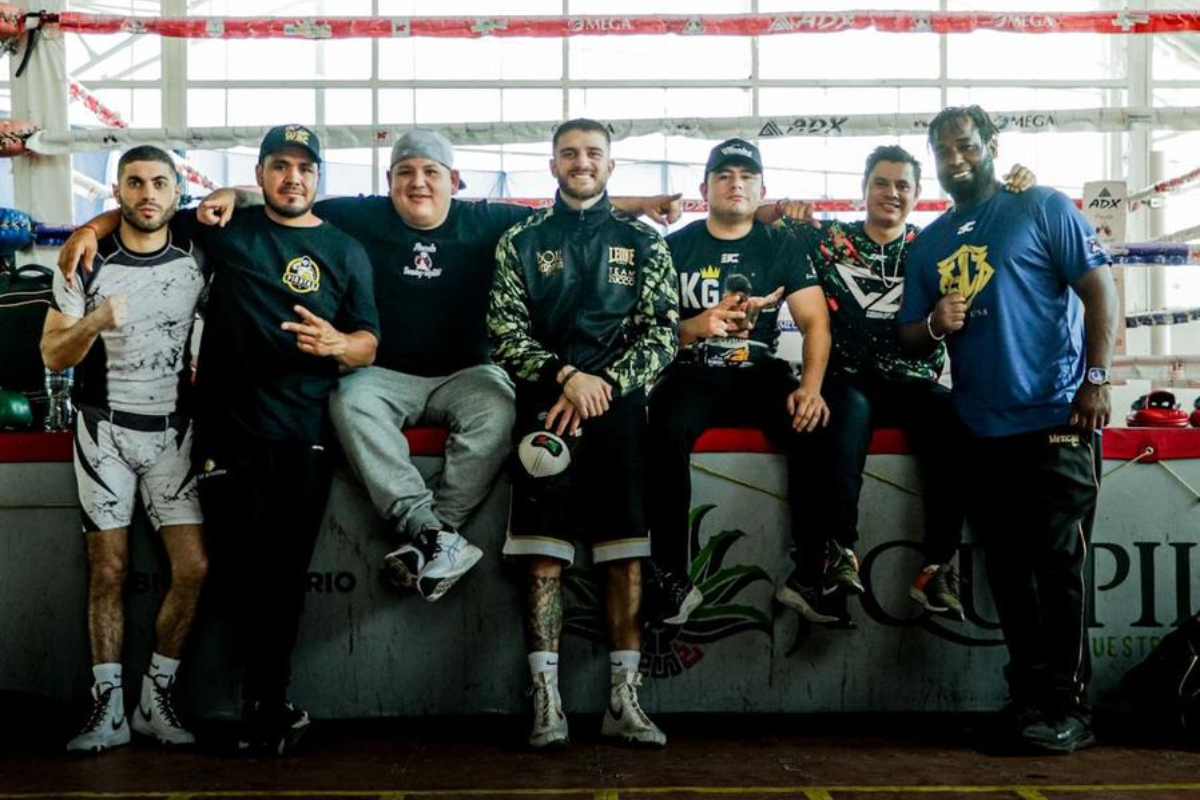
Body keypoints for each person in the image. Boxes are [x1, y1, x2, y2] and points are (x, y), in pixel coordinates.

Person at [198, 129, 680, 602]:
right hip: (384, 374)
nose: (418, 182)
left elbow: (573, 206)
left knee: (499, 407)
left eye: (431, 172)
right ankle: (431, 532)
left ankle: (433, 533)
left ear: (456, 180)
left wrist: (639, 205)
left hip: (465, 373)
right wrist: (230, 195)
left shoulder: (487, 220)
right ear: (389, 180)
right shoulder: (359, 215)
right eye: (405, 172)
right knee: (348, 400)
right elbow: (292, 197)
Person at [61, 125, 380, 755]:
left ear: (319, 178)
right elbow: (143, 207)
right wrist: (85, 231)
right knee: (233, 571)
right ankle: (233, 701)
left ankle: (269, 701)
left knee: (285, 575)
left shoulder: (348, 249)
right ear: (259, 175)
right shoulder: (220, 226)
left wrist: (341, 345)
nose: (293, 178)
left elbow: (369, 340)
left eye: (305, 169)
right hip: (223, 434)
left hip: (304, 433)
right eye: (280, 167)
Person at [898, 105, 1117, 754]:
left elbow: (1101, 289)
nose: (955, 159)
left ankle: (1069, 708)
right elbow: (909, 337)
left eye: (966, 145)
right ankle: (1027, 701)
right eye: (943, 151)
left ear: (992, 144)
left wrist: (1098, 377)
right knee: (1008, 573)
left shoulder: (1042, 205)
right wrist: (935, 322)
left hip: (1056, 416)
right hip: (979, 427)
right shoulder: (931, 242)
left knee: (1058, 567)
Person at [777, 147, 1035, 624]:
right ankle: (836, 554)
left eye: (902, 185)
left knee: (953, 420)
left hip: (913, 381)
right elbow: (746, 218)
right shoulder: (830, 239)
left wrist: (1019, 189)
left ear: (918, 195)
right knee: (846, 416)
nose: (891, 193)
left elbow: (1001, 231)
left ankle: (937, 566)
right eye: (881, 182)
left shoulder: (935, 245)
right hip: (848, 379)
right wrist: (782, 209)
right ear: (864, 188)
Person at [488, 118, 679, 749]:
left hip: (618, 409)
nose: (581, 162)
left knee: (624, 554)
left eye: (593, 153)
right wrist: (567, 376)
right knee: (543, 554)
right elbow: (505, 332)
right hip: (545, 409)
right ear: (552, 165)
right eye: (569, 153)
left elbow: (662, 334)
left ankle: (623, 701)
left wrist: (602, 386)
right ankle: (546, 697)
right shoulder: (521, 238)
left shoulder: (645, 242)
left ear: (610, 166)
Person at [43, 146, 208, 753]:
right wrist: (95, 321)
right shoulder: (86, 262)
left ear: (176, 191)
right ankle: (106, 707)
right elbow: (52, 355)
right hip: (103, 429)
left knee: (194, 569)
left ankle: (154, 697)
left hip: (174, 432)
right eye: (134, 183)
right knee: (108, 569)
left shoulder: (200, 251)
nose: (147, 193)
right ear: (117, 193)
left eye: (159, 183)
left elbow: (247, 198)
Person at [644, 138, 831, 626]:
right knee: (661, 431)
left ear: (762, 188)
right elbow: (648, 329)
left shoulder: (781, 245)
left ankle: (809, 573)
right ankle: (670, 577)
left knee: (811, 423)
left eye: (746, 177)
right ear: (705, 188)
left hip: (758, 372)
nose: (736, 184)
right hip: (693, 371)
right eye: (724, 176)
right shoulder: (673, 247)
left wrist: (810, 387)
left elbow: (815, 322)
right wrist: (694, 327)